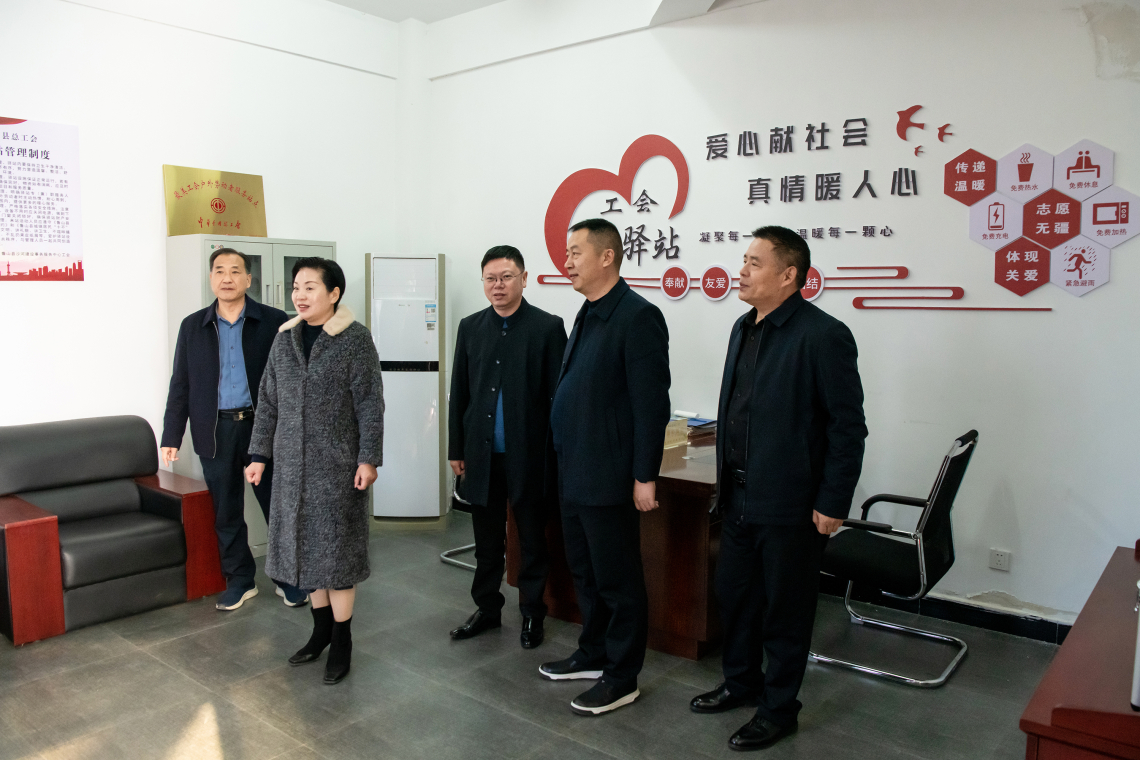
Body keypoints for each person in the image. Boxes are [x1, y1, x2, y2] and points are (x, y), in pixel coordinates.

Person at [689, 226, 867, 751]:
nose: (741, 271)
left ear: (789, 275)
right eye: (743, 260)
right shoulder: (743, 328)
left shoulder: (823, 335)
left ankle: (779, 708)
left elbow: (847, 427)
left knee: (785, 613)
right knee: (735, 598)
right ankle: (741, 683)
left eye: (754, 262)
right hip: (738, 498)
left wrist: (833, 500)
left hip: (791, 505)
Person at [540, 218, 671, 716]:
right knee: (586, 571)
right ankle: (593, 652)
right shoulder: (589, 311)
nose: (567, 262)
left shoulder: (638, 317)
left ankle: (622, 675)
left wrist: (644, 475)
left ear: (607, 256)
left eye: (575, 252)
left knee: (617, 579)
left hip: (608, 473)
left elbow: (650, 405)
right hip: (573, 467)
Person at [244, 257, 384, 685]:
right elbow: (268, 402)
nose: (300, 296)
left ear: (334, 293)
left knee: (336, 557)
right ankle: (320, 630)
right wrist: (258, 454)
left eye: (310, 287)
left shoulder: (355, 339)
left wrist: (368, 459)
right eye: (296, 287)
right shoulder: (284, 339)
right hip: (290, 468)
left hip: (337, 467)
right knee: (305, 553)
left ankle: (342, 639)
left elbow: (370, 404)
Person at [161, 247, 308, 611]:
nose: (227, 278)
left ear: (248, 279)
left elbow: (294, 381)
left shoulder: (274, 321)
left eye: (235, 271)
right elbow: (181, 384)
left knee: (279, 507)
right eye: (219, 271)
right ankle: (240, 580)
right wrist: (171, 436)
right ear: (211, 278)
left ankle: (288, 578)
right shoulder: (192, 326)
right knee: (226, 512)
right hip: (215, 431)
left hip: (264, 429)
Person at [448, 246, 567, 648]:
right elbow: (460, 393)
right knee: (486, 542)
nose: (498, 285)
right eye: (490, 279)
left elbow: (559, 397)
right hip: (481, 455)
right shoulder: (470, 326)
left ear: (524, 279)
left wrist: (556, 454)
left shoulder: (547, 328)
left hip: (529, 456)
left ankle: (532, 613)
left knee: (531, 539)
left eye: (506, 277)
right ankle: (487, 609)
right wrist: (456, 448)